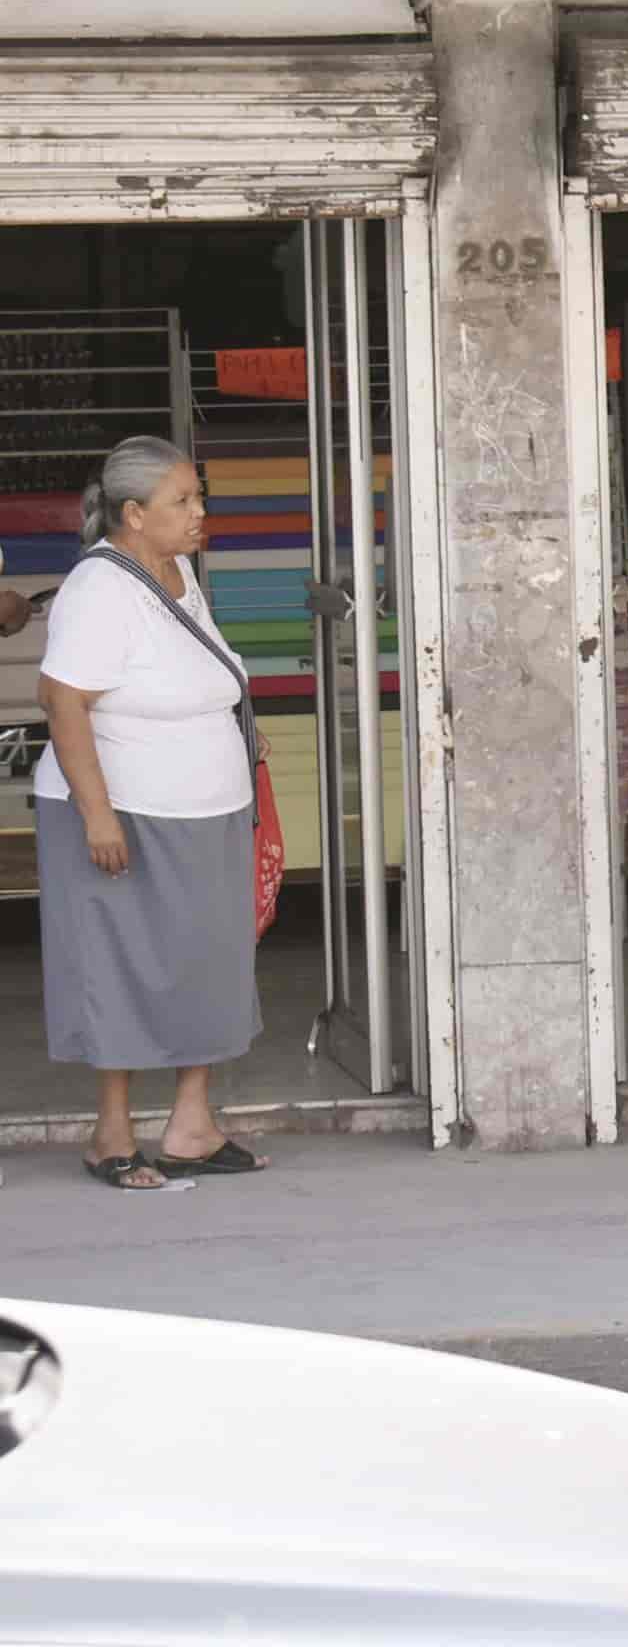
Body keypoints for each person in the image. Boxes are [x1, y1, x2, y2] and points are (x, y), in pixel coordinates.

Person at [37, 437, 265, 1189]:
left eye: (198, 497)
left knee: (204, 964)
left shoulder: (177, 572)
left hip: (207, 809)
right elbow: (63, 702)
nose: (200, 513)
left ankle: (191, 1126)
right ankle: (111, 1135)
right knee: (120, 966)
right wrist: (98, 816)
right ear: (134, 515)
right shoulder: (100, 588)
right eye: (183, 502)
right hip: (127, 814)